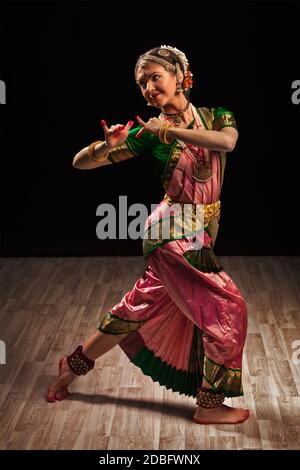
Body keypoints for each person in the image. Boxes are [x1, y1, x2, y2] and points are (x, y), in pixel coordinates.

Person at [47, 45, 249, 425]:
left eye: (156, 76)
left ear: (179, 75)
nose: (149, 87)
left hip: (198, 233)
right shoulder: (147, 134)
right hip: (172, 233)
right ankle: (209, 405)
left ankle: (69, 369)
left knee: (138, 308)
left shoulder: (214, 116)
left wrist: (169, 130)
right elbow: (79, 163)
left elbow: (227, 142)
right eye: (142, 82)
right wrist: (104, 149)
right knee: (229, 308)